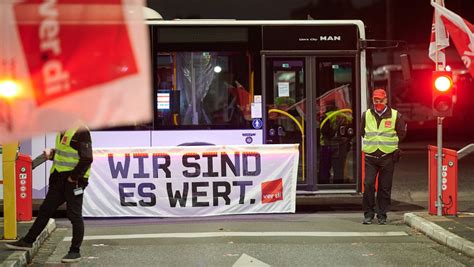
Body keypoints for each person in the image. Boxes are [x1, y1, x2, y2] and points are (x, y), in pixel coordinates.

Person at [6, 123, 93, 263]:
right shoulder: (62, 129)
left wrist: (74, 177)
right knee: (45, 210)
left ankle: (74, 251)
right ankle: (28, 241)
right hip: (59, 179)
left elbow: (87, 158)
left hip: (73, 181)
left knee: (74, 215)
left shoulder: (80, 130)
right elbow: (67, 154)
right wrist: (52, 154)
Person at [361, 89, 406, 225]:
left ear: (386, 100)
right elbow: (362, 132)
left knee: (384, 187)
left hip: (387, 156)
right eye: (376, 100)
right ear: (373, 100)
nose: (378, 102)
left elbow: (402, 134)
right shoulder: (366, 115)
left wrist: (391, 146)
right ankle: (368, 214)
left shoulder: (395, 115)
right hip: (370, 156)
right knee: (368, 185)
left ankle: (382, 214)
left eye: (381, 100)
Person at [319, 105, 353, 184]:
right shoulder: (347, 117)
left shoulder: (327, 116)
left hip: (327, 145)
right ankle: (338, 184)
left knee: (325, 168)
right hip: (341, 145)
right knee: (338, 168)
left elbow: (324, 131)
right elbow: (351, 132)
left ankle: (324, 185)